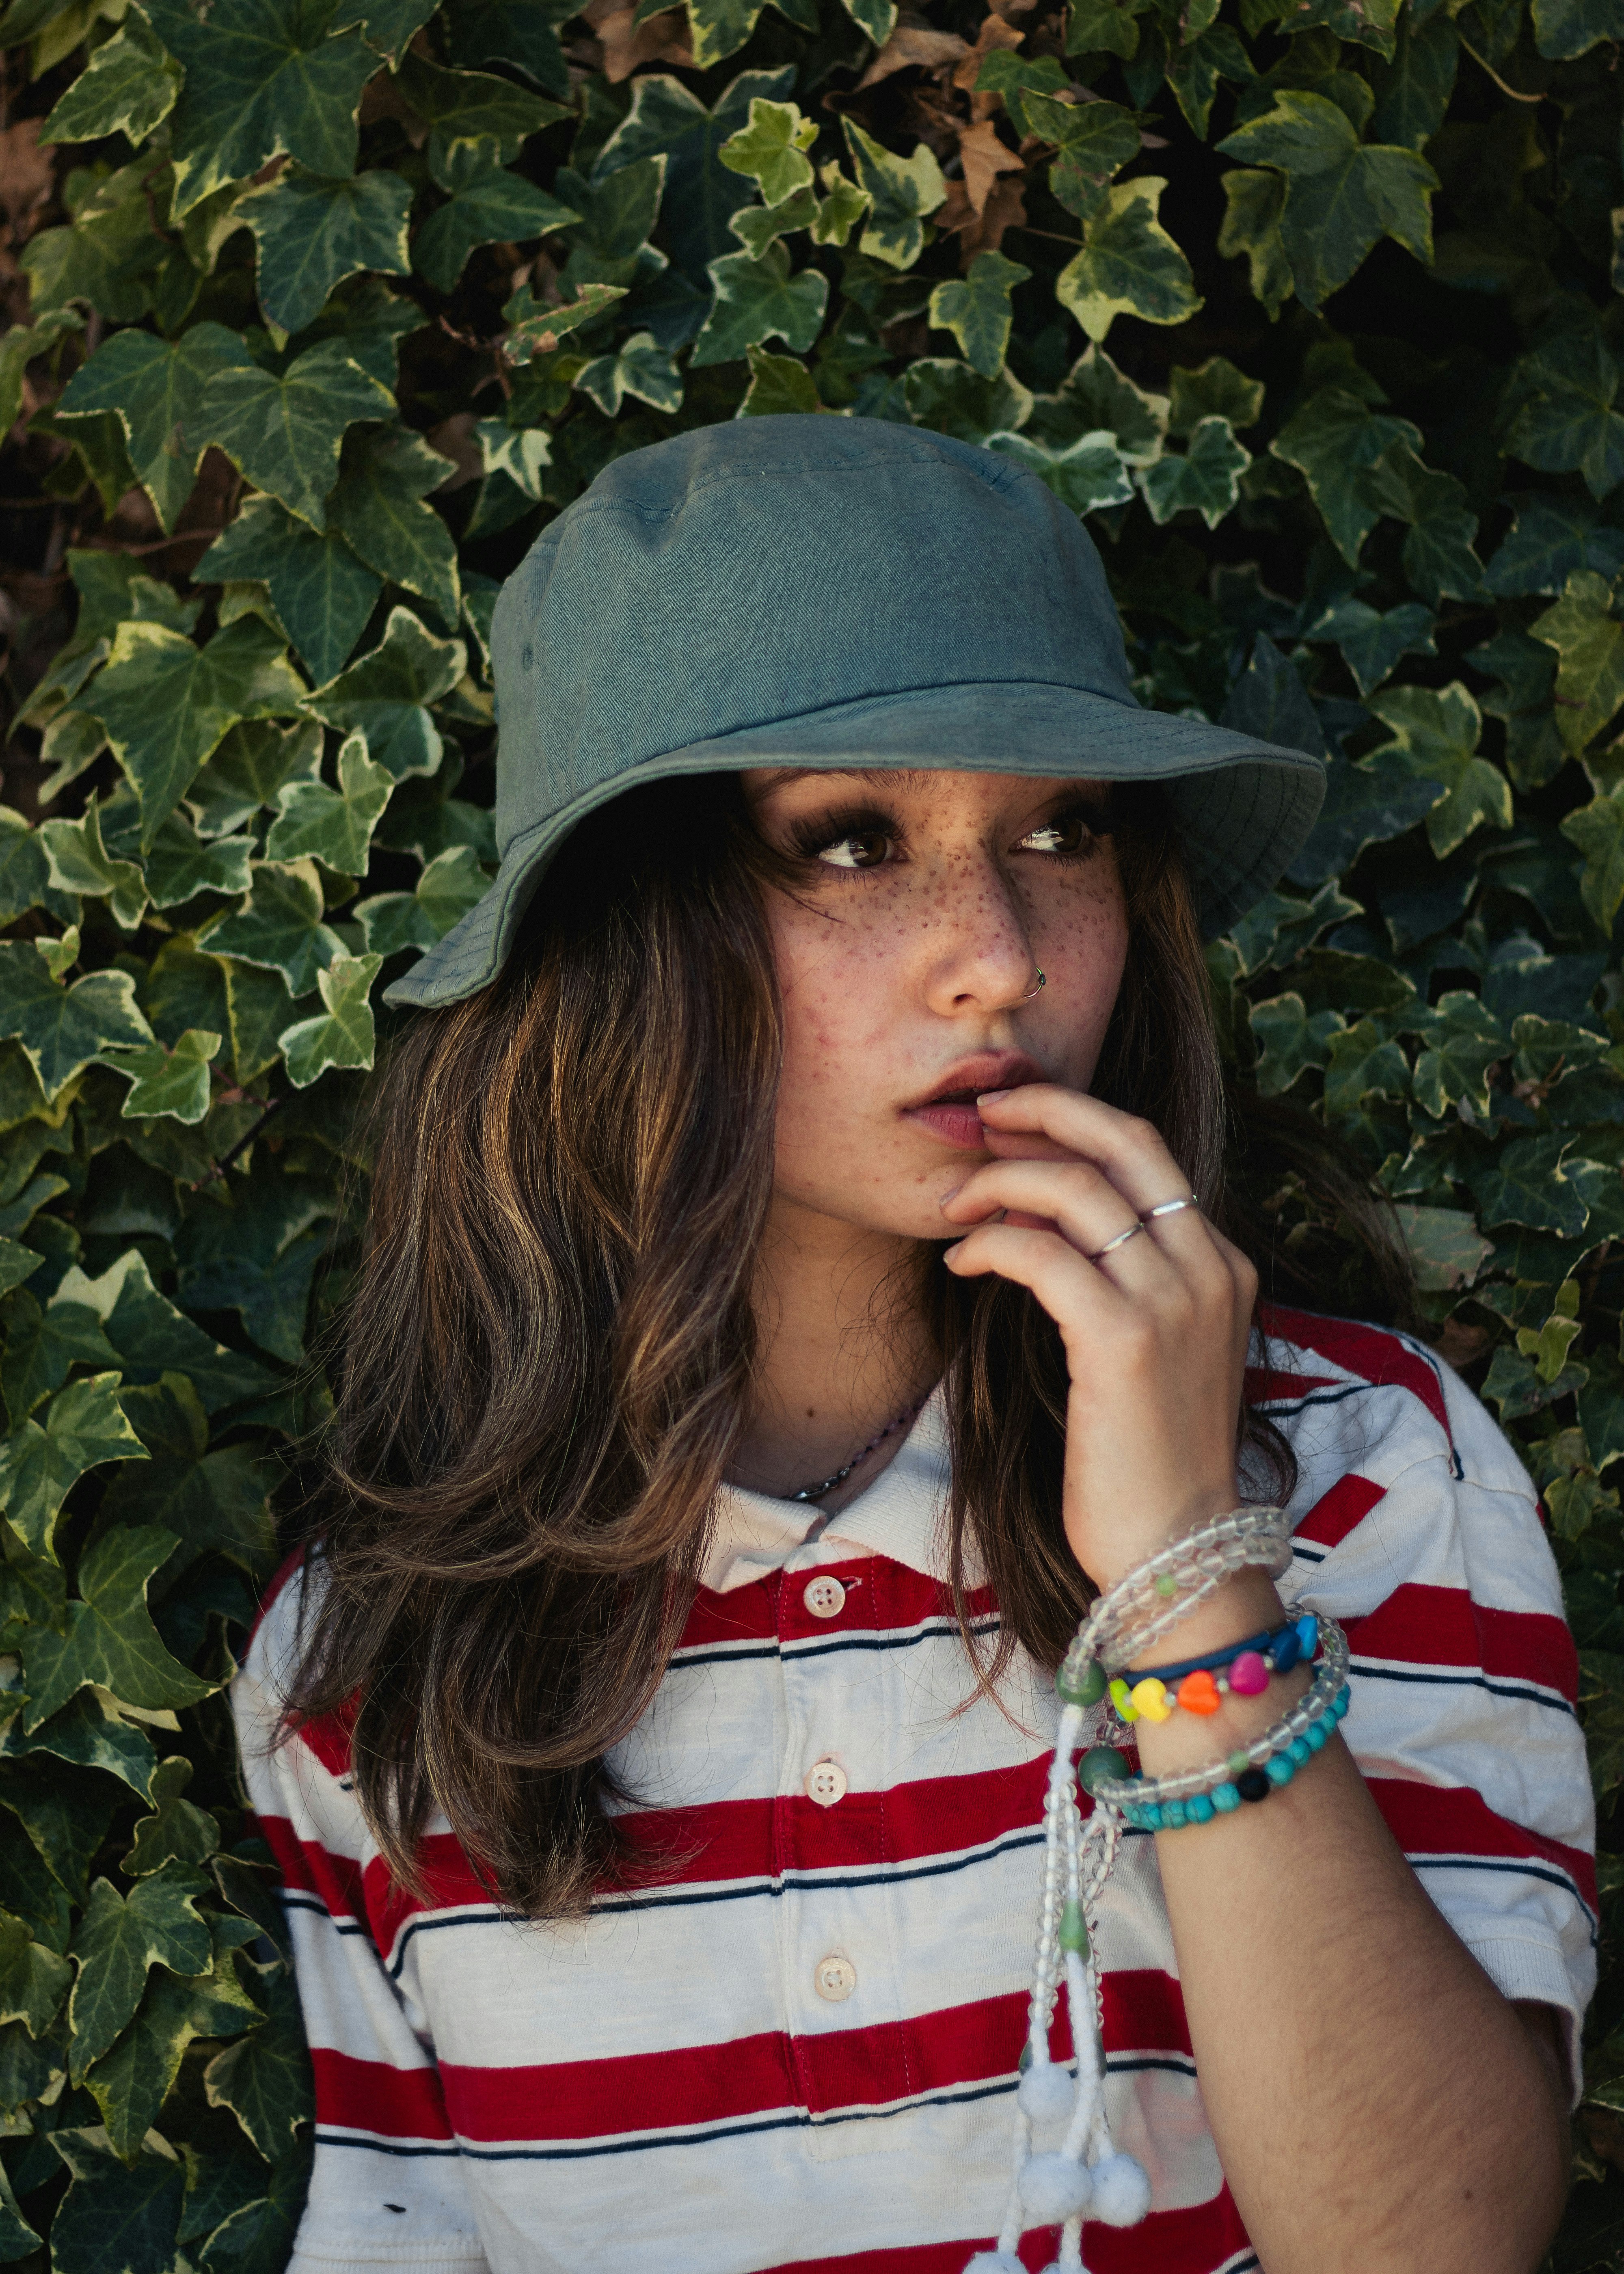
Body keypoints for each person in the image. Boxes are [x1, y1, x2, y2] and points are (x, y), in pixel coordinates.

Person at [232, 419, 1590, 2274]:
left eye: (1063, 829)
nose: (1001, 956)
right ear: (618, 928)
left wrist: (1193, 1579)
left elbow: (1436, 2247)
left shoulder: (1359, 1459)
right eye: (850, 841)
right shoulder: (375, 1643)